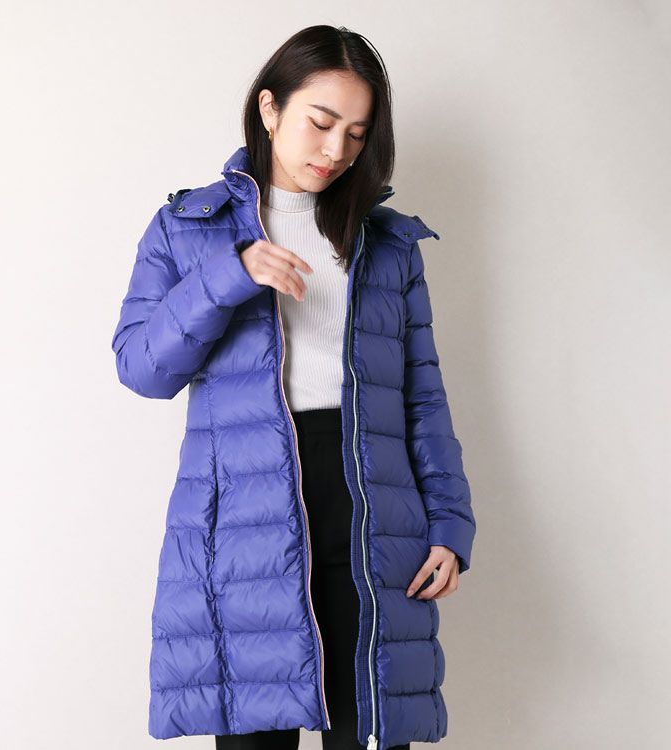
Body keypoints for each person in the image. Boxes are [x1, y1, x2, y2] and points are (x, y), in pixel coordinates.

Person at [111, 24, 476, 750]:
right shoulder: (188, 228)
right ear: (271, 108)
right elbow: (142, 368)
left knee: (370, 732)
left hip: (371, 511)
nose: (335, 149)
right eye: (321, 122)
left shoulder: (387, 244)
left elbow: (422, 397)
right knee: (256, 739)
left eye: (356, 134)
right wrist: (232, 274)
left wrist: (449, 524)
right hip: (243, 523)